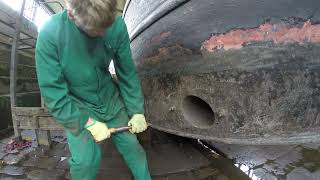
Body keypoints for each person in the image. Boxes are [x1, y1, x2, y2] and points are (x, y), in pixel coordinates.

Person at [35, 0, 152, 179]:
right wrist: (86, 122)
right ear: (71, 14)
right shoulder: (50, 35)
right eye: (95, 30)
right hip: (77, 105)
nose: (104, 33)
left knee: (132, 147)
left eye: (107, 26)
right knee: (85, 162)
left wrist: (136, 110)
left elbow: (127, 73)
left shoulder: (117, 25)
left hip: (109, 98)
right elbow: (54, 94)